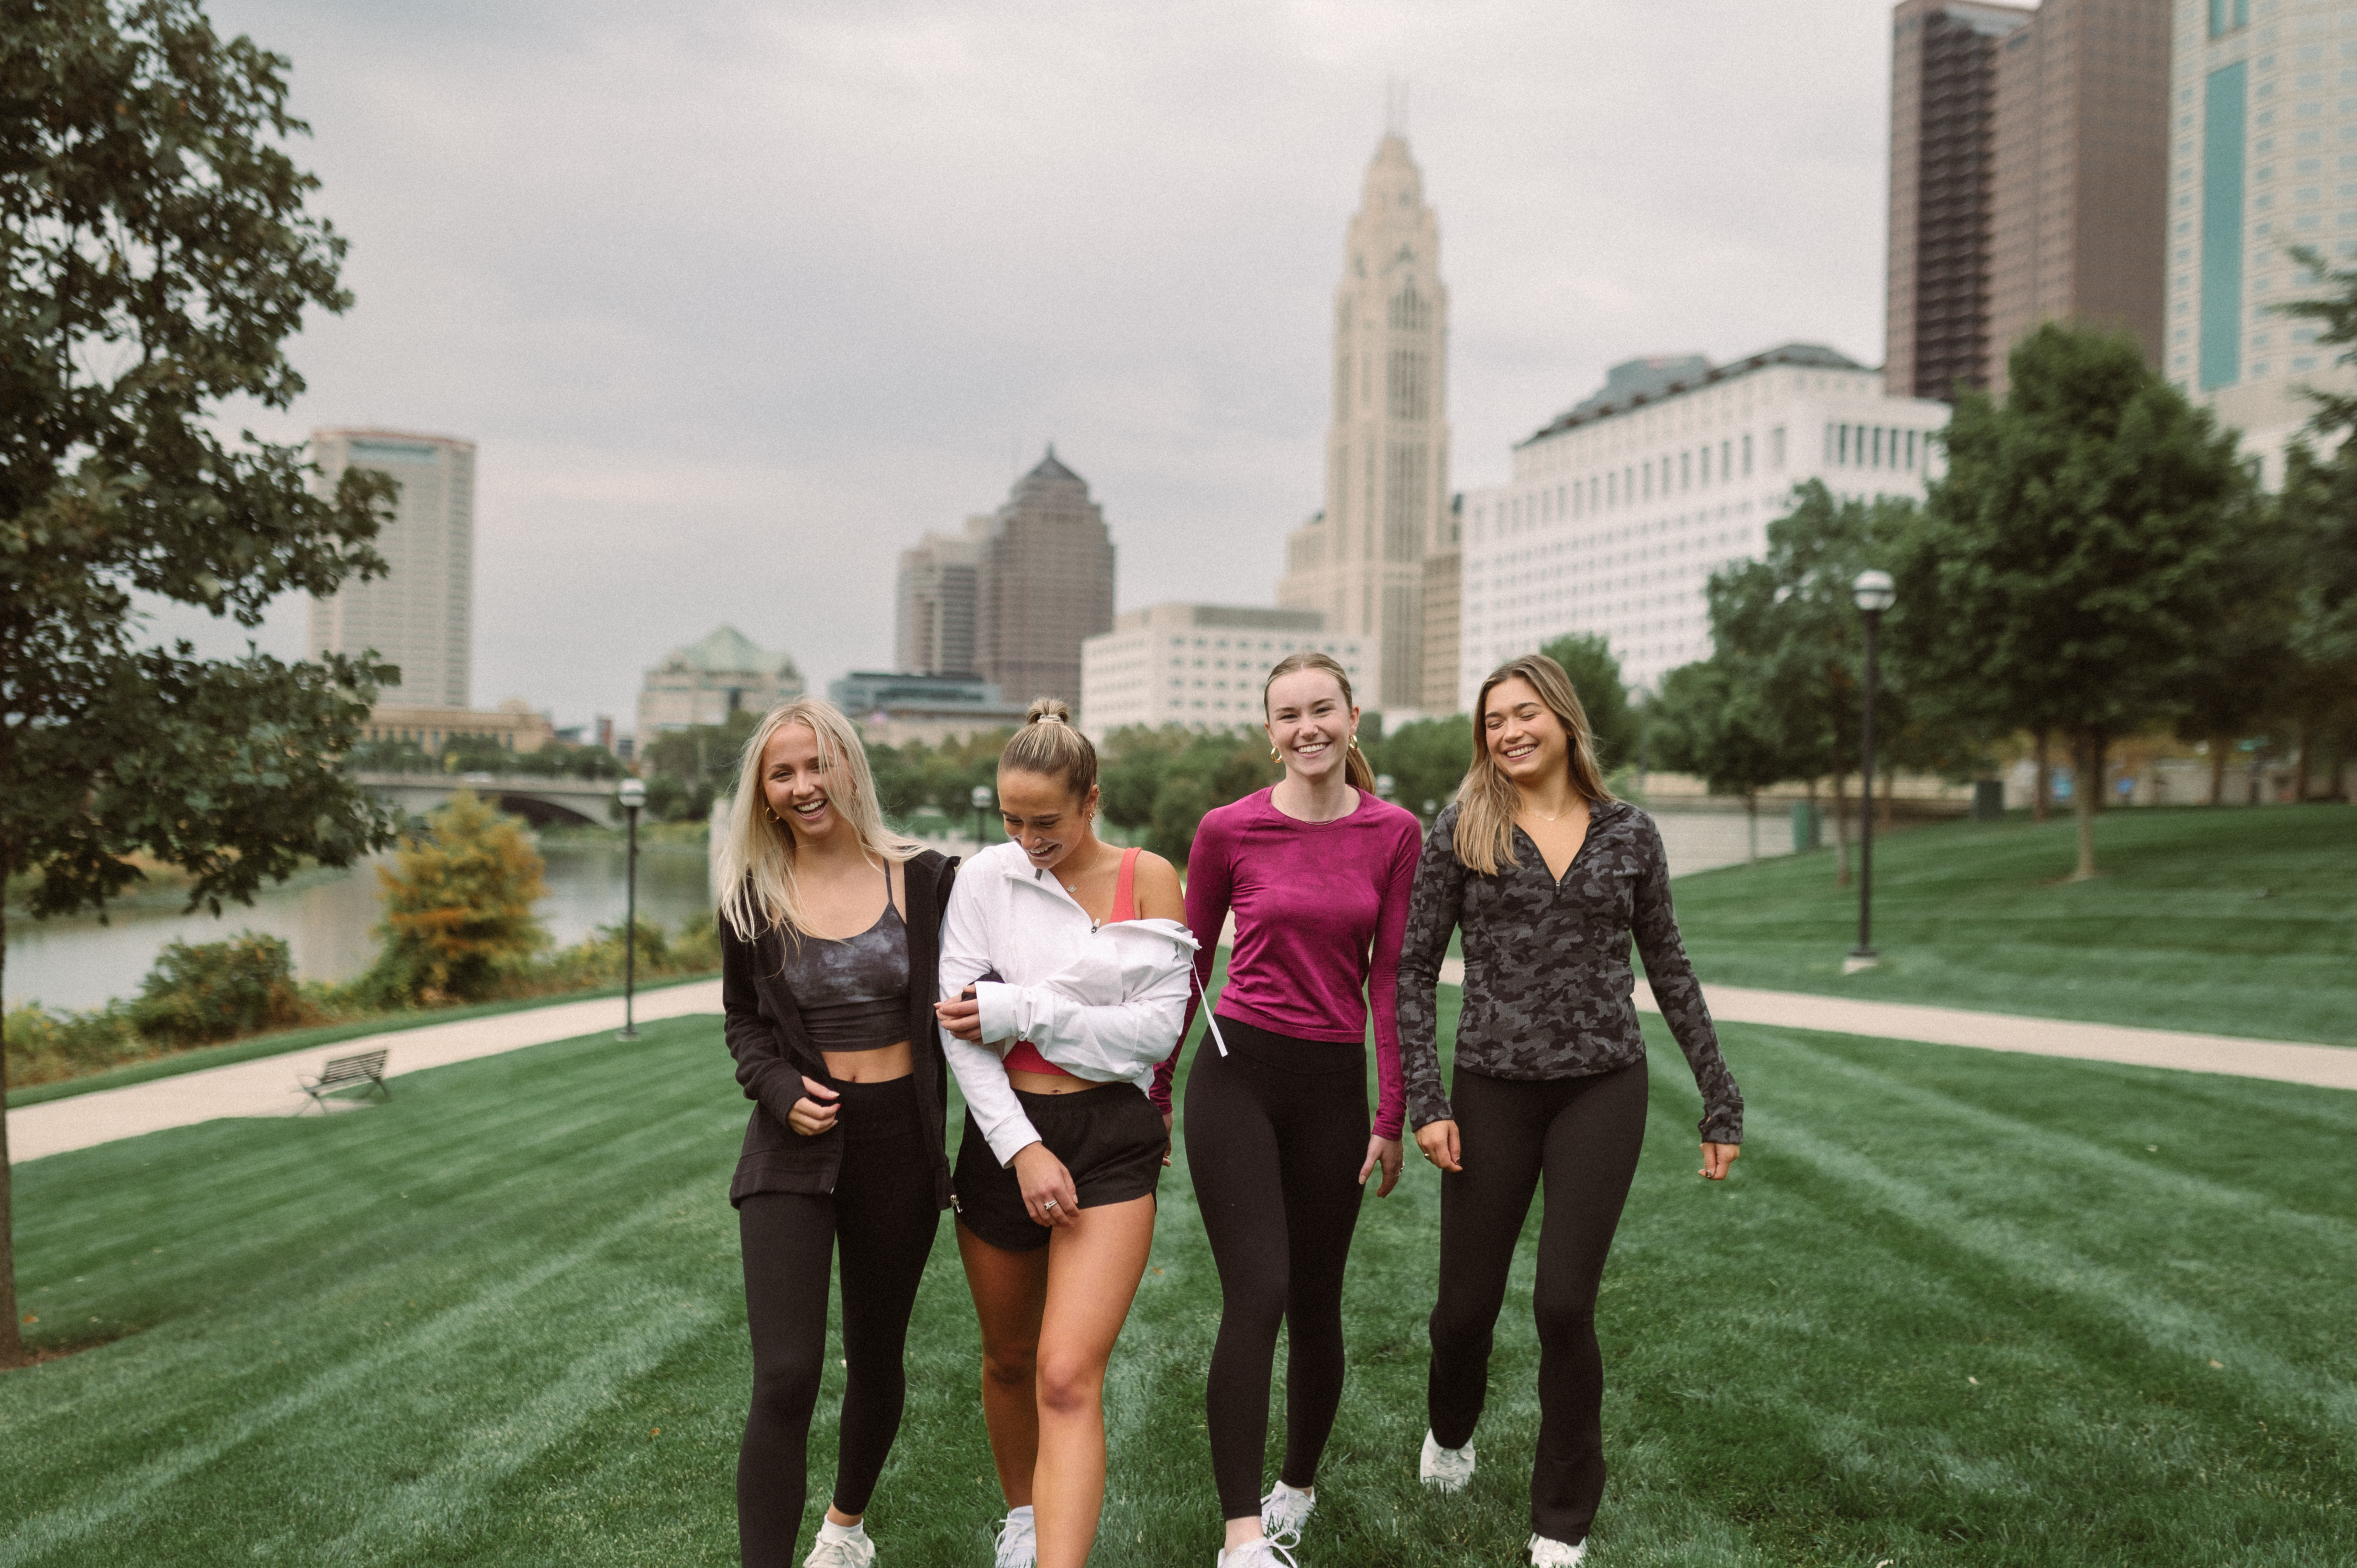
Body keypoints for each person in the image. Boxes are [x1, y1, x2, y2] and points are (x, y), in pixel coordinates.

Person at [1395, 655, 1744, 1568]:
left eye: (1524, 714)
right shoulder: (1462, 827)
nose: (1509, 732)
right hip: (1491, 1088)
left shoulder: (1631, 834)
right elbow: (1410, 968)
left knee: (1562, 1303)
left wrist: (1719, 1093)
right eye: (1493, 721)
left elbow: (1668, 964)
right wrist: (1425, 1099)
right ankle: (1451, 1430)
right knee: (1463, 1311)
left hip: (1602, 1086)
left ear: (1563, 718)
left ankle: (1562, 1519)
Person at [933, 699, 1196, 1568]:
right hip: (1006, 1133)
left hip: (1113, 1135)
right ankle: (1023, 1518)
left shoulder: (1149, 877)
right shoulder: (983, 880)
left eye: (1045, 820)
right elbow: (961, 1033)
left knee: (1065, 1374)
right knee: (1009, 1359)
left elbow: (1153, 1034)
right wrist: (1023, 1148)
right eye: (1012, 818)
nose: (1028, 837)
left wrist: (1022, 1009)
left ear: (1092, 799)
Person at [1174, 651, 1420, 1568]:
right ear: (1269, 732)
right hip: (1236, 1074)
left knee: (1317, 1301)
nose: (1308, 728)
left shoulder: (1396, 834)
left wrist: (1390, 1111)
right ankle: (1243, 1534)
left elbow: (1392, 980)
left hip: (1330, 1089)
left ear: (1355, 718)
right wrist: (1158, 1092)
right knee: (1261, 1290)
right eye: (1289, 715)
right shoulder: (1226, 831)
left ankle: (1296, 1488)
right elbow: (1190, 968)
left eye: (1324, 710)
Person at [716, 698, 961, 1568]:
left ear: (850, 766)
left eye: (818, 763)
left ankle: (845, 1527)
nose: (804, 784)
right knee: (786, 1374)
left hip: (898, 1141)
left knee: (875, 1356)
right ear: (766, 793)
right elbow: (744, 1021)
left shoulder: (929, 878)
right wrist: (779, 1086)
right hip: (792, 1143)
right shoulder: (753, 895)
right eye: (783, 772)